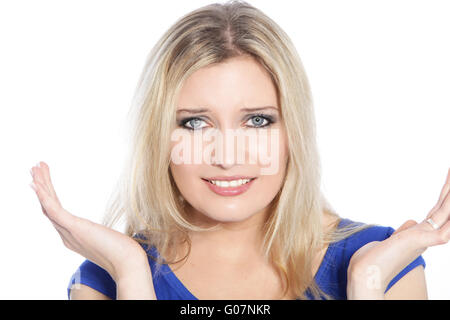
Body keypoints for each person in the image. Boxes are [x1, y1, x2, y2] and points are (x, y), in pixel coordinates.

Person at [29, 0, 449, 300]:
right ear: (161, 137)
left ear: (293, 131)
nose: (227, 156)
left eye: (257, 120)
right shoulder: (107, 278)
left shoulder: (381, 262)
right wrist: (132, 273)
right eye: (195, 123)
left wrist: (366, 285)